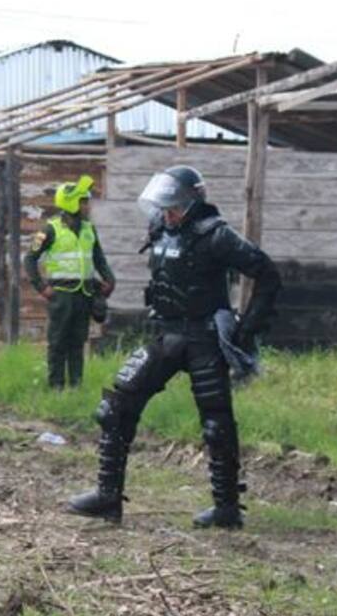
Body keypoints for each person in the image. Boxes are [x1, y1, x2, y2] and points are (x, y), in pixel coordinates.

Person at [65, 165, 280, 530]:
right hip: (167, 336)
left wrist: (246, 330)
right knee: (116, 407)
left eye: (175, 207)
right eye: (165, 207)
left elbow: (267, 274)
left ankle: (227, 509)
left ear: (193, 203)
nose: (169, 214)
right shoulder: (159, 227)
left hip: (205, 338)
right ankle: (107, 496)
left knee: (216, 424)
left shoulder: (217, 234)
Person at [24, 175, 116, 388]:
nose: (87, 206)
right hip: (61, 295)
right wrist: (41, 287)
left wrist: (110, 279)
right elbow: (30, 259)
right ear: (71, 203)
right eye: (83, 202)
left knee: (78, 341)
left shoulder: (89, 229)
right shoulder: (50, 229)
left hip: (84, 294)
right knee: (58, 342)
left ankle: (76, 385)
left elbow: (99, 258)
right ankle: (56, 386)